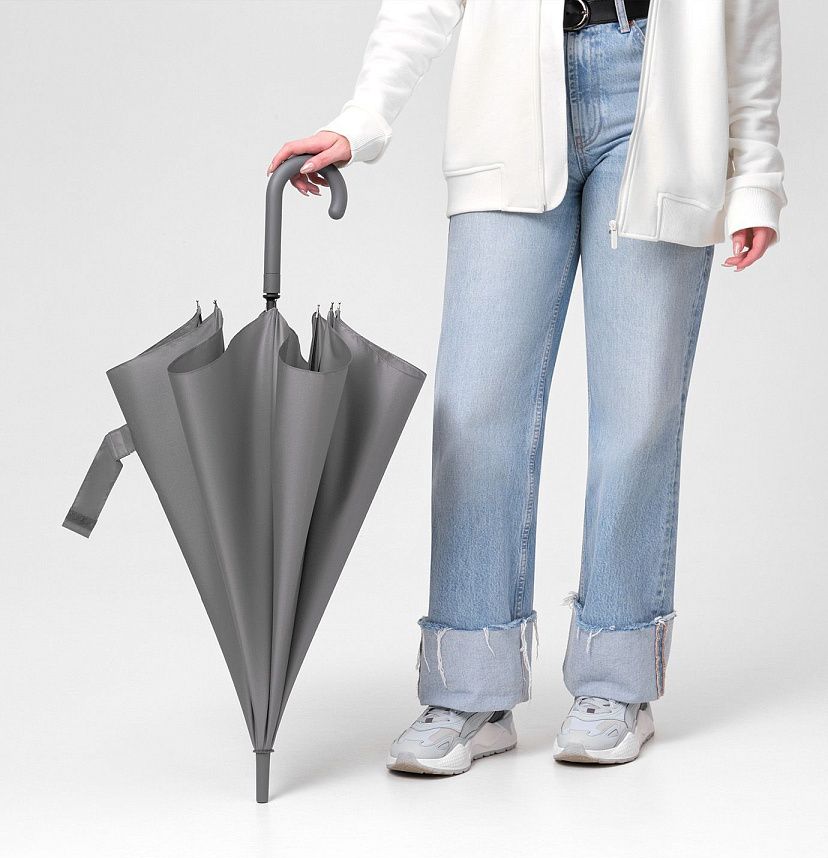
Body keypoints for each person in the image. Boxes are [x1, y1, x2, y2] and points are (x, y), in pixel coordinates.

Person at [268, 0, 786, 771]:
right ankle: (469, 690)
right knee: (474, 411)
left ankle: (616, 682)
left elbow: (747, 20)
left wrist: (756, 175)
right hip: (510, 95)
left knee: (637, 415)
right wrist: (363, 118)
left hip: (663, 90)